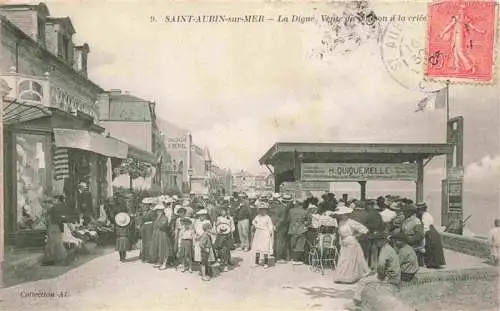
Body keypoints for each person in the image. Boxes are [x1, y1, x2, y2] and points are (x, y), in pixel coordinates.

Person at [351, 232, 401, 307]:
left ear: (383, 240)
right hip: (393, 274)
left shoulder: (385, 250)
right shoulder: (388, 248)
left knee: (362, 281)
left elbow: (381, 265)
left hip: (389, 277)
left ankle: (357, 302)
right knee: (368, 276)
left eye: (377, 240)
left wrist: (379, 276)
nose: (375, 242)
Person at [332, 205, 370, 284]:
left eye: (341, 214)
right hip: (344, 242)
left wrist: (356, 236)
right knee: (343, 259)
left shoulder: (351, 222)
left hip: (351, 241)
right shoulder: (341, 222)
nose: (340, 216)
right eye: (339, 214)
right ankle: (341, 276)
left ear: (345, 214)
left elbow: (364, 230)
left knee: (350, 259)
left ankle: (349, 278)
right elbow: (340, 233)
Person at [42, 196, 67, 265]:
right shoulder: (52, 209)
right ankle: (56, 258)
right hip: (54, 227)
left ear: (50, 204)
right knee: (55, 242)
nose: (46, 205)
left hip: (53, 226)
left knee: (52, 242)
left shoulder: (53, 209)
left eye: (47, 204)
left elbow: (56, 219)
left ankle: (51, 259)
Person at [251, 202, 274, 268]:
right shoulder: (257, 217)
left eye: (263, 209)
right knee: (258, 248)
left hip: (265, 234)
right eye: (260, 209)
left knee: (265, 248)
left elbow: (270, 226)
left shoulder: (268, 218)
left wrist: (270, 232)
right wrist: (256, 226)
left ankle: (266, 263)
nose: (262, 211)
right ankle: (256, 262)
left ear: (266, 210)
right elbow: (254, 222)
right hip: (258, 233)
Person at [152, 204, 173, 270]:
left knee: (164, 249)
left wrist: (157, 222)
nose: (158, 212)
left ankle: (164, 263)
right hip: (157, 235)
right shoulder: (157, 218)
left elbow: (162, 225)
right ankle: (160, 262)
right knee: (159, 248)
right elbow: (154, 226)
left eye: (159, 210)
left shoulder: (164, 217)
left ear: (162, 211)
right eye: (157, 211)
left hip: (162, 234)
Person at [288, 199, 309, 264]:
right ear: (302, 204)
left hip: (292, 229)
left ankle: (292, 257)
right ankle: (296, 259)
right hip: (301, 229)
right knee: (300, 244)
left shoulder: (291, 211)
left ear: (296, 203)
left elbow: (288, 219)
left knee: (293, 243)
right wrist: (305, 224)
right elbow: (309, 220)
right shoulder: (305, 212)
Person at [214, 207, 235, 272]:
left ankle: (226, 264)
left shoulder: (230, 218)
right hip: (220, 236)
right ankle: (222, 264)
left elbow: (233, 227)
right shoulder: (218, 218)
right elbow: (215, 226)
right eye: (222, 211)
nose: (223, 212)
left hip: (227, 235)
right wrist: (217, 226)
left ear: (226, 211)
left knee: (226, 249)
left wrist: (230, 231)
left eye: (224, 211)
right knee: (221, 250)